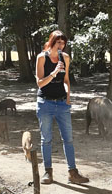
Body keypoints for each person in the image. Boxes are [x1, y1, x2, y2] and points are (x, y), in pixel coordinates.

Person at [35, 30, 89, 185]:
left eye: (63, 43)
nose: (61, 46)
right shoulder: (41, 58)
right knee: (46, 139)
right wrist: (54, 72)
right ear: (51, 42)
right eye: (58, 42)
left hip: (62, 103)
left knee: (68, 139)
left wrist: (68, 96)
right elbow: (40, 83)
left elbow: (66, 80)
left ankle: (73, 173)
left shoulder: (65, 58)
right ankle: (48, 172)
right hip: (45, 103)